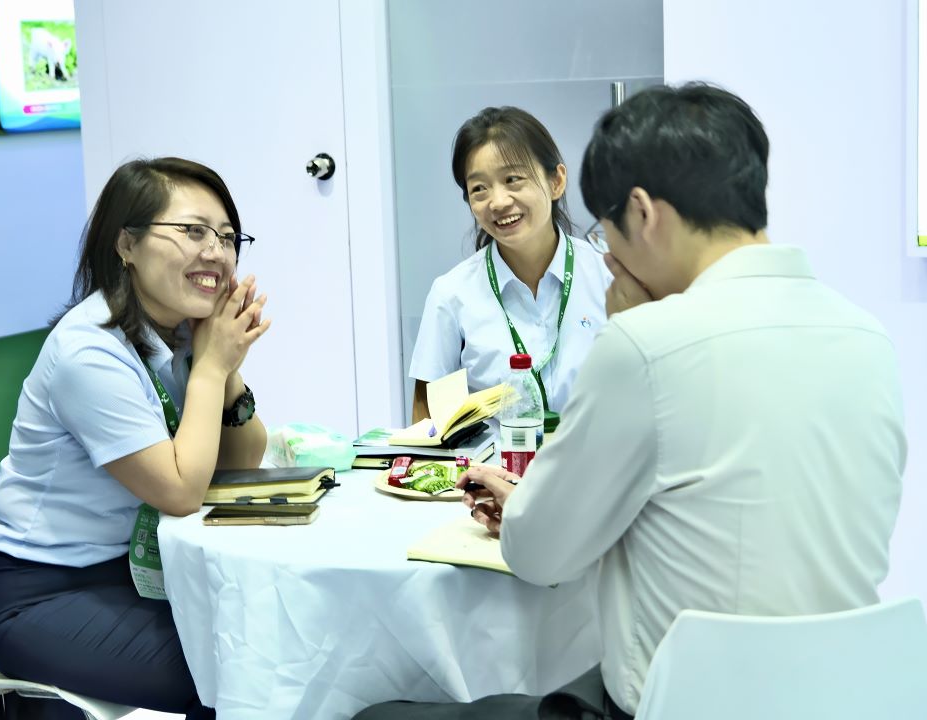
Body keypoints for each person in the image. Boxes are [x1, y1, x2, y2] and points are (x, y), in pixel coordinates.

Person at [356, 84, 906, 719]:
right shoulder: (868, 336)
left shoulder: (646, 346)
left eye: (607, 227)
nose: (609, 255)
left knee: (374, 714)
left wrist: (532, 503)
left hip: (684, 704)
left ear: (640, 213)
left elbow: (538, 555)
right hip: (845, 698)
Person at [0, 157, 271, 719]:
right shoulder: (88, 352)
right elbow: (181, 491)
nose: (216, 252)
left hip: (132, 574)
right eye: (193, 231)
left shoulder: (182, 331)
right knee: (233, 673)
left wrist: (226, 369)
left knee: (272, 636)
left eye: (229, 237)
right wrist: (211, 368)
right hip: (39, 594)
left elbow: (242, 463)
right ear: (127, 244)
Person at [409, 106, 611, 423]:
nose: (498, 202)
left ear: (556, 181)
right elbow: (427, 422)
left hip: (597, 454)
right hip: (494, 457)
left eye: (512, 179)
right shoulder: (451, 295)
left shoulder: (608, 277)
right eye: (479, 188)